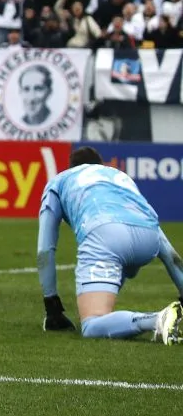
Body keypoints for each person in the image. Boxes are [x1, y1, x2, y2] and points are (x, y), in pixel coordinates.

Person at [37, 146, 183, 343]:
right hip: (148, 236)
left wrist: (52, 306)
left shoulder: (59, 181)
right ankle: (108, 310)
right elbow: (171, 255)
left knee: (91, 325)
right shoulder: (120, 177)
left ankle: (157, 319)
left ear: (71, 167)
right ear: (101, 165)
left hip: (106, 236)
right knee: (100, 305)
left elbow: (45, 250)